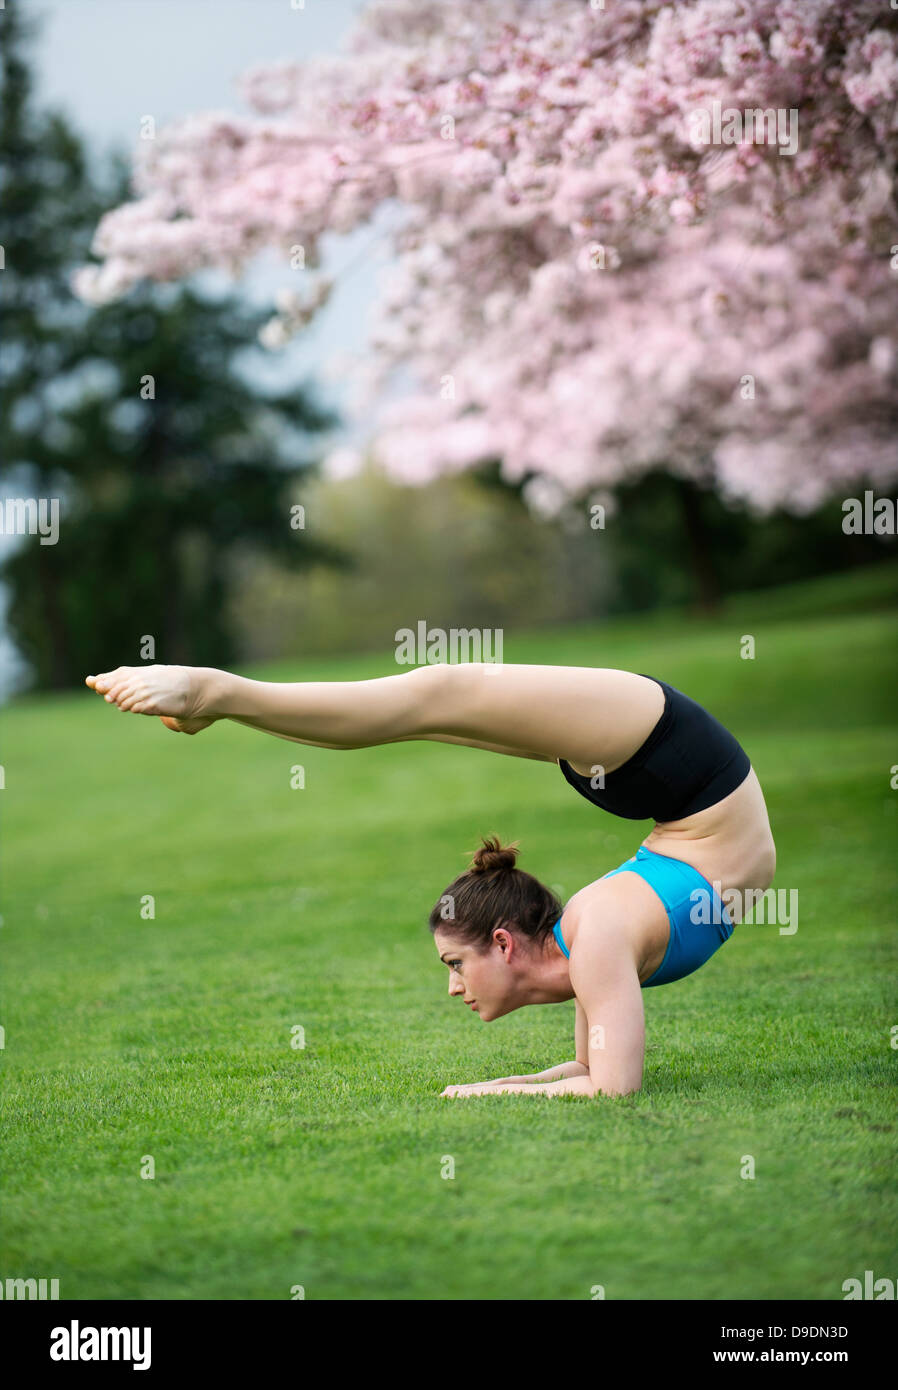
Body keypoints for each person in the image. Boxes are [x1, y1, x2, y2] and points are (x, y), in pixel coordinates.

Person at [84, 661, 775, 1100]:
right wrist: (496, 1085)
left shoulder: (594, 941)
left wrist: (489, 1095)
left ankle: (217, 690)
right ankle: (224, 702)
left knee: (439, 696)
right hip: (672, 785)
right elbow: (588, 1074)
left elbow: (612, 1089)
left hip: (678, 758)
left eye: (453, 964)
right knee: (433, 710)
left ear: (504, 943)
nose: (451, 986)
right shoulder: (591, 943)